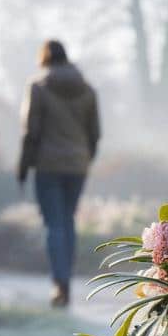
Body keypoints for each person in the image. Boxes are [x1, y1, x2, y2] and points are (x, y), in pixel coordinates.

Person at [17, 40, 101, 307]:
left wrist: (23, 166)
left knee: (54, 224)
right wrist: (85, 159)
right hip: (77, 166)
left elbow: (31, 132)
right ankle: (65, 282)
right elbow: (95, 134)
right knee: (67, 221)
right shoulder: (88, 90)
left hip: (48, 165)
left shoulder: (38, 87)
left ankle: (59, 284)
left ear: (45, 59)